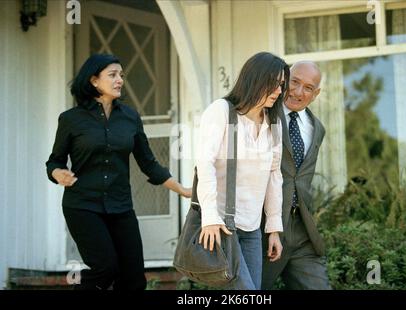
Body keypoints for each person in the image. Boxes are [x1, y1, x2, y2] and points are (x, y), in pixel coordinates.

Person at [45, 54, 191, 290]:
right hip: (82, 206)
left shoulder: (130, 118)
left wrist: (182, 189)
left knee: (133, 280)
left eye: (121, 75)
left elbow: (148, 163)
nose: (119, 80)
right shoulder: (71, 120)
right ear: (94, 80)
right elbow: (54, 162)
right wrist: (58, 173)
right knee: (105, 268)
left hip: (120, 206)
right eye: (112, 75)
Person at [196, 52, 289, 290]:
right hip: (222, 225)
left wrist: (274, 229)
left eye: (281, 84)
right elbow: (204, 162)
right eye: (274, 83)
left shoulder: (274, 123)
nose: (279, 91)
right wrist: (209, 218)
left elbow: (274, 176)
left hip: (252, 228)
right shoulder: (222, 111)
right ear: (255, 79)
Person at [261, 61, 332, 290]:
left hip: (302, 230)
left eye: (308, 88)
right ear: (283, 80)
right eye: (294, 82)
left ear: (316, 93)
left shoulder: (316, 127)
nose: (299, 92)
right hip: (263, 228)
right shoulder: (262, 116)